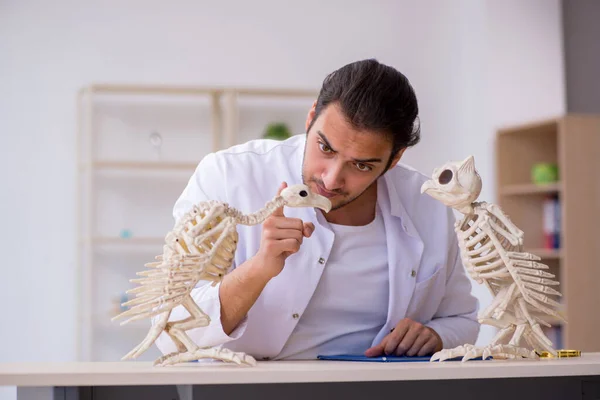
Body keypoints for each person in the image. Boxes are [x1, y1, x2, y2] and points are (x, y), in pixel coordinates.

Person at [153, 58, 479, 360]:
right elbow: (168, 332)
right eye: (325, 147)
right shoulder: (226, 177)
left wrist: (436, 335)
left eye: (362, 166)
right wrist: (259, 269)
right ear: (311, 117)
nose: (331, 178)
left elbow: (462, 319)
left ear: (395, 159)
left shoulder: (429, 204)